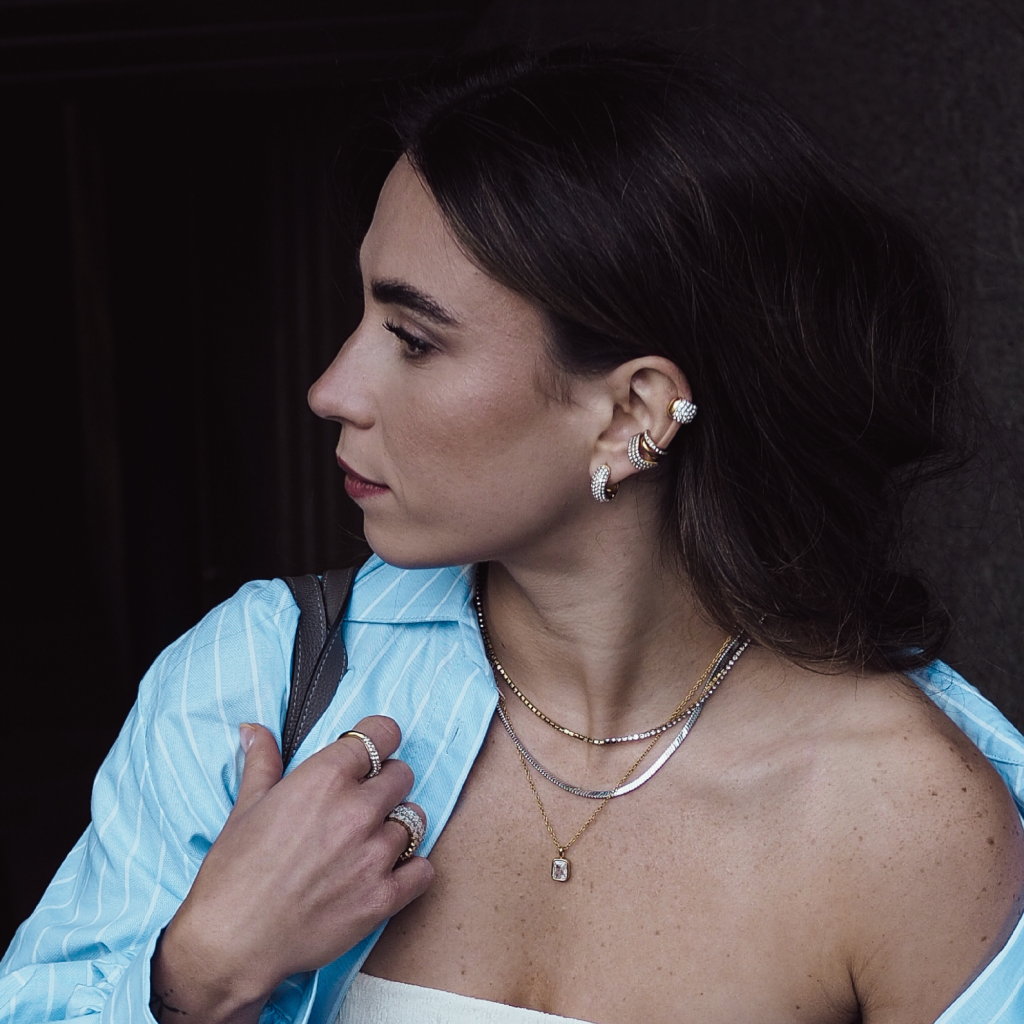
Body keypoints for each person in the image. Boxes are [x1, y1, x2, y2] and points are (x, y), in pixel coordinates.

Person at [2, 46, 1023, 1024]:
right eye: (362, 315)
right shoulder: (258, 687)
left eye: (412, 339)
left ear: (633, 416)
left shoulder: (911, 816)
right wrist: (199, 975)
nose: (331, 388)